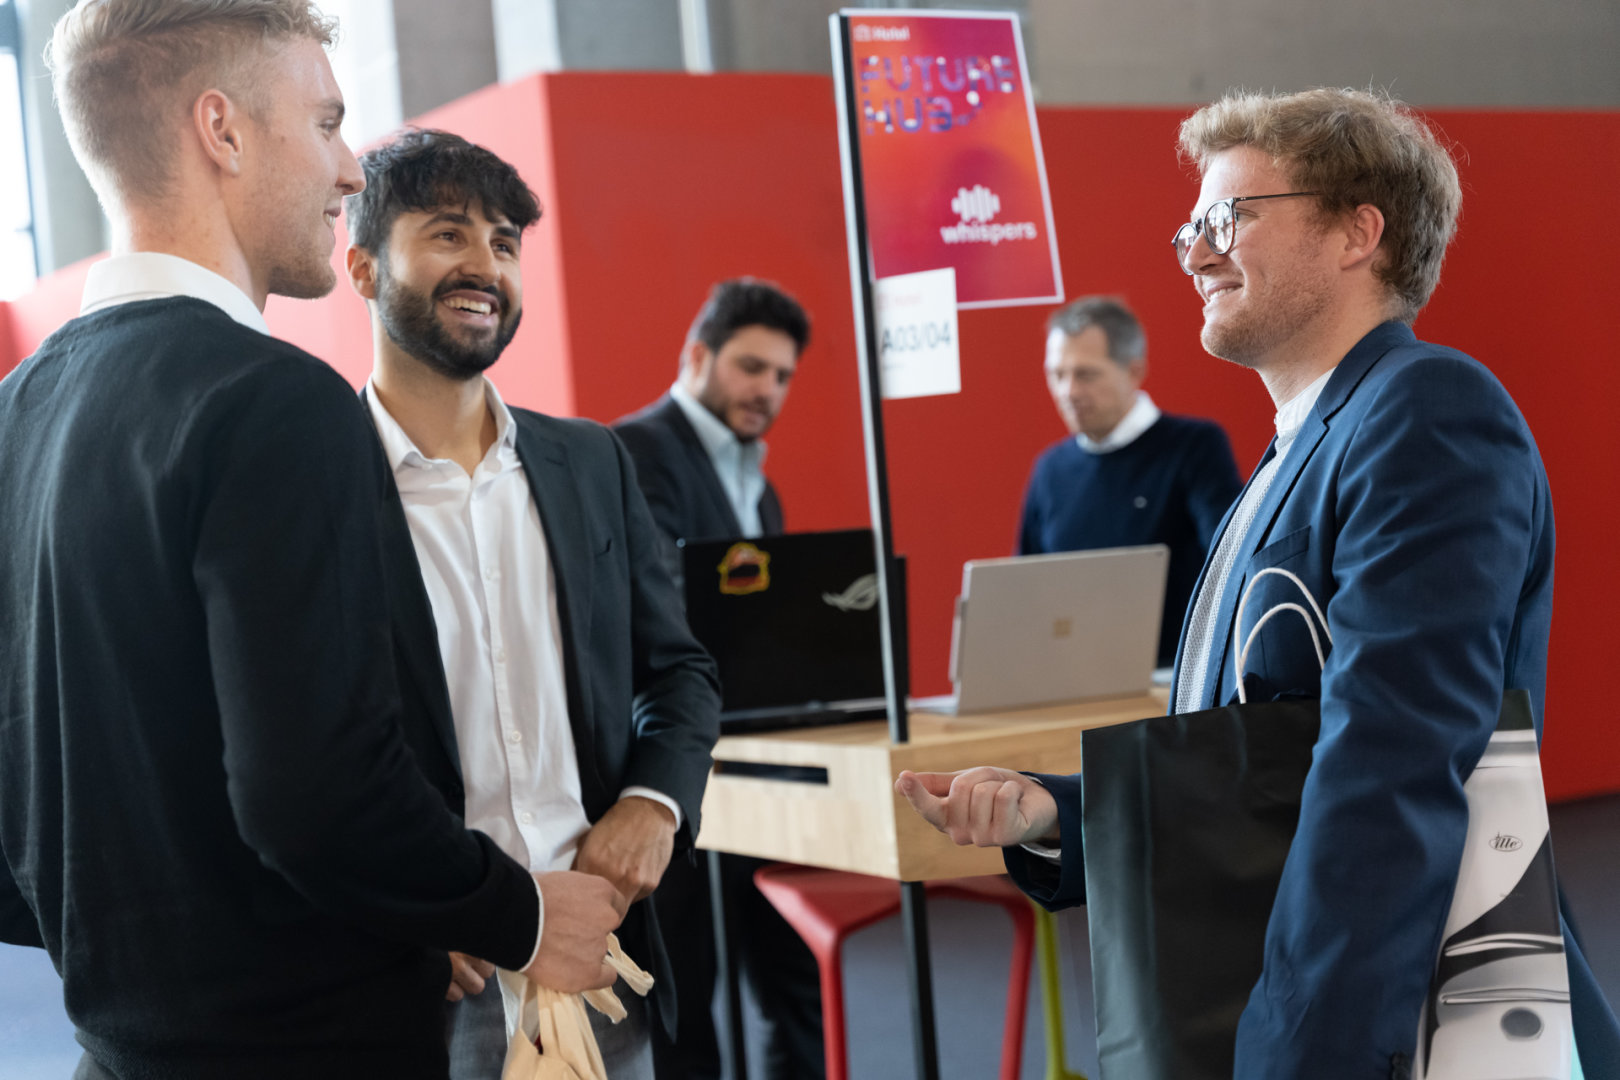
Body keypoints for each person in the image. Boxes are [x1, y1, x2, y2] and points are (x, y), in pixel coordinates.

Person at [897, 87, 1620, 1077]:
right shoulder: (1291, 454)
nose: (1196, 254)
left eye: (1229, 217)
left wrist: (1296, 1052)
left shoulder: (1427, 411)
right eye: (1191, 228)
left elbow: (1389, 773)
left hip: (1399, 1024)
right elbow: (1265, 754)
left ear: (1357, 232)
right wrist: (1062, 812)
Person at [0, 4, 623, 1078]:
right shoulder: (275, 399)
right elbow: (316, 795)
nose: (348, 169)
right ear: (222, 130)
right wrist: (517, 913)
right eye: (327, 122)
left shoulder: (20, 409)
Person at [343, 128, 721, 1080]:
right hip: (427, 979)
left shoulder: (589, 462)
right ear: (362, 268)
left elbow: (678, 671)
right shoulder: (317, 481)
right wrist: (404, 909)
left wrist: (654, 803)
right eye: (447, 234)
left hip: (601, 953)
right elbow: (296, 755)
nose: (485, 266)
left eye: (505, 243)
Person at [614, 280, 826, 1080]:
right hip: (672, 774)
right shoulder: (637, 453)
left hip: (755, 774)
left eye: (782, 376)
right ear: (697, 356)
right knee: (686, 1010)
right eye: (750, 366)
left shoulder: (759, 488)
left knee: (795, 985)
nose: (767, 389)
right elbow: (662, 620)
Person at [1018, 295, 1240, 666]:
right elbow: (1024, 597)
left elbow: (1231, 562)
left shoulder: (1194, 447)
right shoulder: (1050, 470)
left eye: (1085, 374)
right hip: (1072, 679)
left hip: (1174, 679)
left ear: (1134, 371)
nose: (1068, 391)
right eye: (1057, 374)